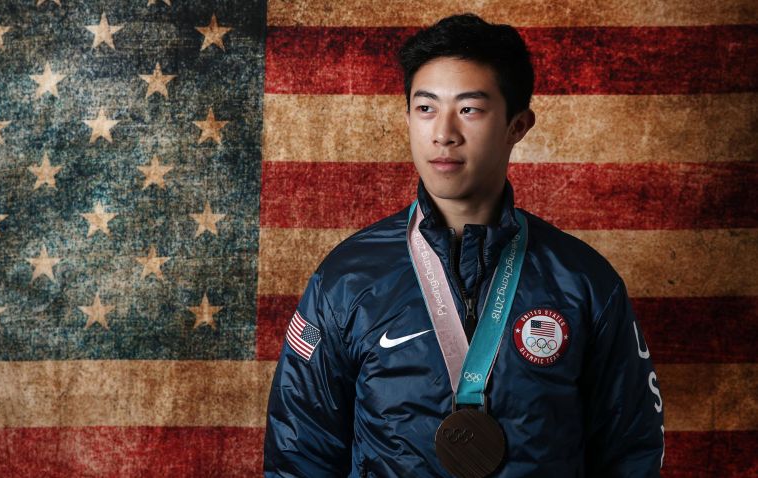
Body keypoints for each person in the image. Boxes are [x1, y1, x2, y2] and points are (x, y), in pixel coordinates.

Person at [264, 13, 664, 478]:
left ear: (518, 125)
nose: (443, 133)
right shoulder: (347, 279)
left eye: (469, 109)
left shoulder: (584, 282)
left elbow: (630, 451)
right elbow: (299, 453)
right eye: (426, 108)